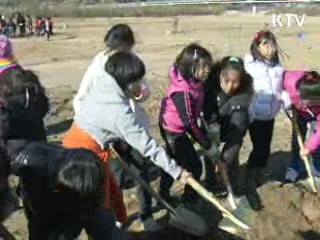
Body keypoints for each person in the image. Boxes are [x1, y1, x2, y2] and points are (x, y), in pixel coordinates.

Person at [63, 51, 191, 224]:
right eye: (137, 81)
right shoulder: (119, 113)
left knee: (109, 192)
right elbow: (148, 147)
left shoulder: (104, 83)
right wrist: (177, 172)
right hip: (84, 155)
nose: (140, 85)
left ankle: (117, 222)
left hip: (77, 143)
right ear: (125, 82)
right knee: (96, 206)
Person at [7, 140, 126, 240]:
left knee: (105, 227)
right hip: (42, 207)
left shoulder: (89, 163)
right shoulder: (29, 161)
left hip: (82, 204)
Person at [158, 43, 216, 205]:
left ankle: (164, 195)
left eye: (208, 66)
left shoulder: (195, 81)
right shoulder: (182, 92)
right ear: (189, 67)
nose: (207, 70)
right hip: (173, 130)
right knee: (194, 166)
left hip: (179, 126)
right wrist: (205, 143)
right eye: (203, 67)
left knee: (173, 161)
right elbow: (190, 123)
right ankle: (189, 200)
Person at [244, 30, 288, 194]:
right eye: (265, 44)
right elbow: (244, 90)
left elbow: (280, 88)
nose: (270, 48)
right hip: (256, 115)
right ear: (256, 47)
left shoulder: (277, 67)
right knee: (259, 147)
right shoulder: (250, 67)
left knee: (266, 147)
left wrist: (285, 100)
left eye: (272, 44)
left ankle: (261, 174)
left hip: (270, 114)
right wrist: (249, 109)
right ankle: (249, 176)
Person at [203, 56, 254, 196]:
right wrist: (212, 127)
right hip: (211, 125)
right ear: (220, 75)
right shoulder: (208, 84)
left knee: (231, 158)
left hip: (232, 127)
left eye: (235, 82)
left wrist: (227, 156)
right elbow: (206, 110)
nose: (230, 87)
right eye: (226, 81)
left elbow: (238, 126)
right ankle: (210, 183)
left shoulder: (244, 93)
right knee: (210, 154)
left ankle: (234, 188)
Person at [73, 23, 134, 114]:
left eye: (129, 47)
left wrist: (138, 93)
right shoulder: (98, 67)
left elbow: (144, 92)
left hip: (129, 121)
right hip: (103, 121)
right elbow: (80, 99)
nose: (128, 50)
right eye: (125, 48)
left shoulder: (133, 64)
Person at [283, 70, 320, 182]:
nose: (302, 102)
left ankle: (317, 169)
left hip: (317, 115)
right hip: (299, 113)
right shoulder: (291, 82)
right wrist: (284, 99)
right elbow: (277, 78)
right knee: (297, 141)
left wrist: (309, 147)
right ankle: (294, 167)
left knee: (317, 145)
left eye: (306, 101)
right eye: (301, 98)